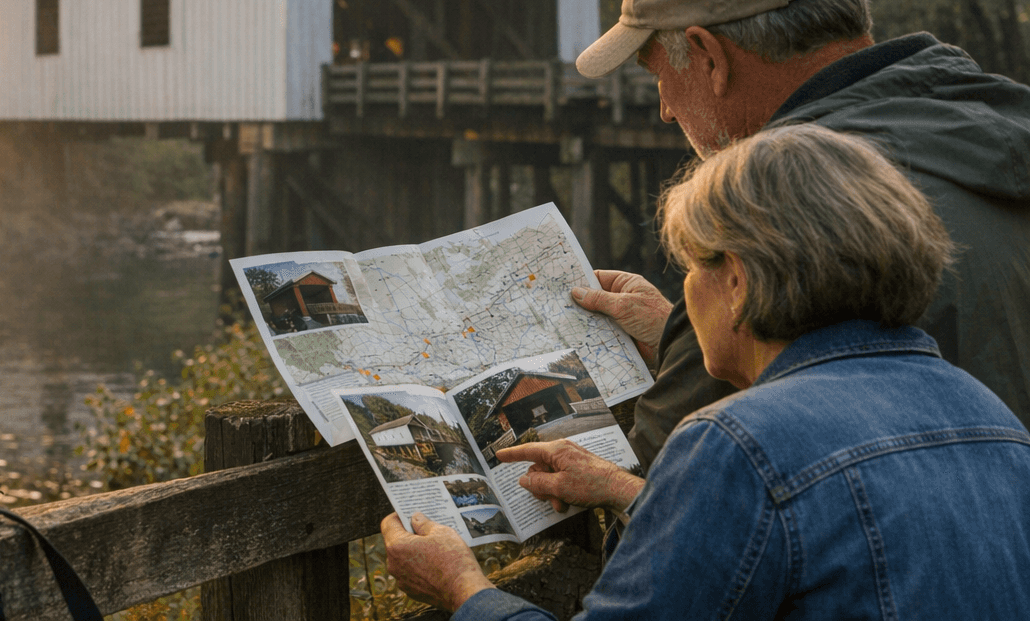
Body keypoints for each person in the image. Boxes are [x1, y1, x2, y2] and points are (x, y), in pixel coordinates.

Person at [383, 125, 1030, 619]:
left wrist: (465, 589)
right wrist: (627, 492)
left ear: (738, 283)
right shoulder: (990, 415)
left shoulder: (736, 444)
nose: (686, 291)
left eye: (692, 266)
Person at [568, 0, 1030, 470]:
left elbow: (659, 498)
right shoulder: (998, 131)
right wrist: (687, 343)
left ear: (710, 57)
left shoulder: (768, 225)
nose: (664, 109)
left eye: (659, 74)